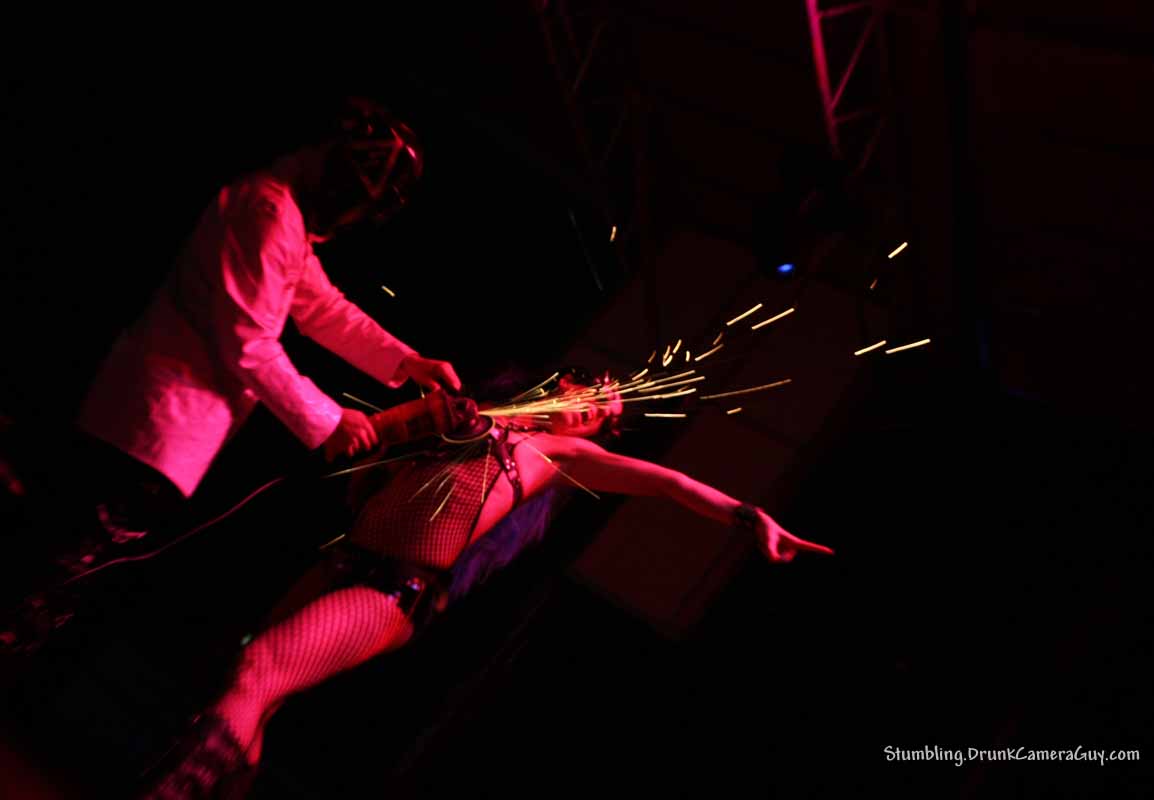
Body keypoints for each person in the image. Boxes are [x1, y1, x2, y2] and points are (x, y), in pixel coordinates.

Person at [141, 369, 834, 798]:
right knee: (256, 694)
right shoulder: (475, 415)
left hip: (391, 593)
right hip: (342, 562)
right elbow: (369, 465)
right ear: (564, 385)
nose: (593, 402)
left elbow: (669, 483)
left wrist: (749, 516)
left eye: (605, 408)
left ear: (598, 429)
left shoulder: (561, 455)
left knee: (261, 669)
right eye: (593, 389)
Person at [2, 98, 462, 652]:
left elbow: (321, 307)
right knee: (51, 571)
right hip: (150, 425)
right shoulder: (266, 213)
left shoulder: (284, 217)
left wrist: (407, 361)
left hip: (164, 433)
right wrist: (330, 419)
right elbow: (249, 344)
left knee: (61, 569)